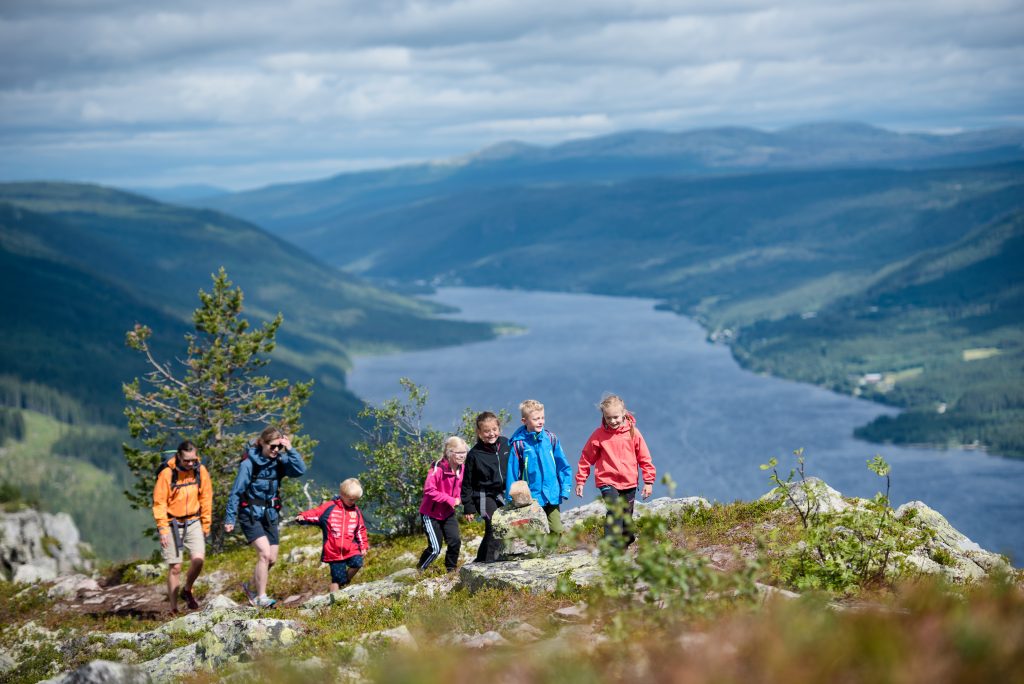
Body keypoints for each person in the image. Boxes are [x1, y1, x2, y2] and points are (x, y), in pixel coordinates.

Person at [224, 425, 306, 607]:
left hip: (270, 514)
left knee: (272, 559)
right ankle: (260, 597)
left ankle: (251, 587)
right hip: (250, 514)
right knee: (264, 554)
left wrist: (290, 449)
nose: (276, 450)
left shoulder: (279, 462)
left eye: (279, 447)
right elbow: (236, 492)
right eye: (273, 446)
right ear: (262, 443)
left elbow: (300, 470)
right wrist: (230, 518)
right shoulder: (249, 464)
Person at [575, 394, 656, 548]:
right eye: (608, 418)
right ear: (603, 416)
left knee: (626, 518)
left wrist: (649, 481)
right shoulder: (598, 435)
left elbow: (645, 458)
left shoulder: (633, 433)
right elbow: (586, 457)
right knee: (614, 512)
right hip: (607, 481)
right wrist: (580, 480)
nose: (612, 421)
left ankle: (627, 539)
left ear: (624, 413)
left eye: (616, 417)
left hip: (629, 482)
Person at [152, 440, 212, 614]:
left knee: (198, 560)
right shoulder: (167, 474)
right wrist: (162, 529)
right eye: (187, 460)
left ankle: (187, 589)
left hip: (193, 521)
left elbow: (206, 498)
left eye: (193, 459)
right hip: (171, 523)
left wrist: (206, 524)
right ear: (178, 456)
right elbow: (159, 503)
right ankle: (173, 608)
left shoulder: (200, 471)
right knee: (175, 566)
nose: (191, 463)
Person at [505, 399, 572, 537]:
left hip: (552, 493)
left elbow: (563, 465)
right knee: (538, 532)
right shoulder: (519, 445)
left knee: (557, 529)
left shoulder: (551, 439)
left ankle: (549, 555)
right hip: (532, 497)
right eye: (536, 419)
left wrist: (565, 488)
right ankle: (542, 555)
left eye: (542, 418)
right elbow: (513, 473)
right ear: (524, 421)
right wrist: (511, 498)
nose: (540, 421)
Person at [294, 478, 368, 592]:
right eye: (351, 499)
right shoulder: (329, 507)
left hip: (350, 548)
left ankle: (346, 580)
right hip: (334, 551)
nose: (353, 502)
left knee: (358, 563)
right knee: (336, 579)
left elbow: (360, 529)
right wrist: (303, 516)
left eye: (356, 500)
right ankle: (334, 600)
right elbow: (316, 513)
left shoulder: (355, 511)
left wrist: (363, 546)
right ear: (342, 494)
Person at [461, 411, 511, 563]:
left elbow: (516, 467)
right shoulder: (474, 454)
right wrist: (468, 506)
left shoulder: (506, 444)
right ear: (479, 433)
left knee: (500, 524)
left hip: (501, 493)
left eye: (494, 429)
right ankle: (489, 564)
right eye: (486, 431)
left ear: (499, 429)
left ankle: (480, 559)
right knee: (495, 523)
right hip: (483, 495)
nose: (491, 434)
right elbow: (467, 482)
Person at [418, 436, 468, 572]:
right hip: (431, 514)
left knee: (455, 542)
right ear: (449, 453)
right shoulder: (438, 468)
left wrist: (464, 502)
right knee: (435, 548)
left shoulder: (462, 468)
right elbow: (429, 490)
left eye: (464, 452)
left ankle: (450, 570)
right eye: (458, 453)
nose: (462, 456)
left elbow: (463, 487)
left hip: (447, 512)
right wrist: (451, 500)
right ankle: (420, 570)